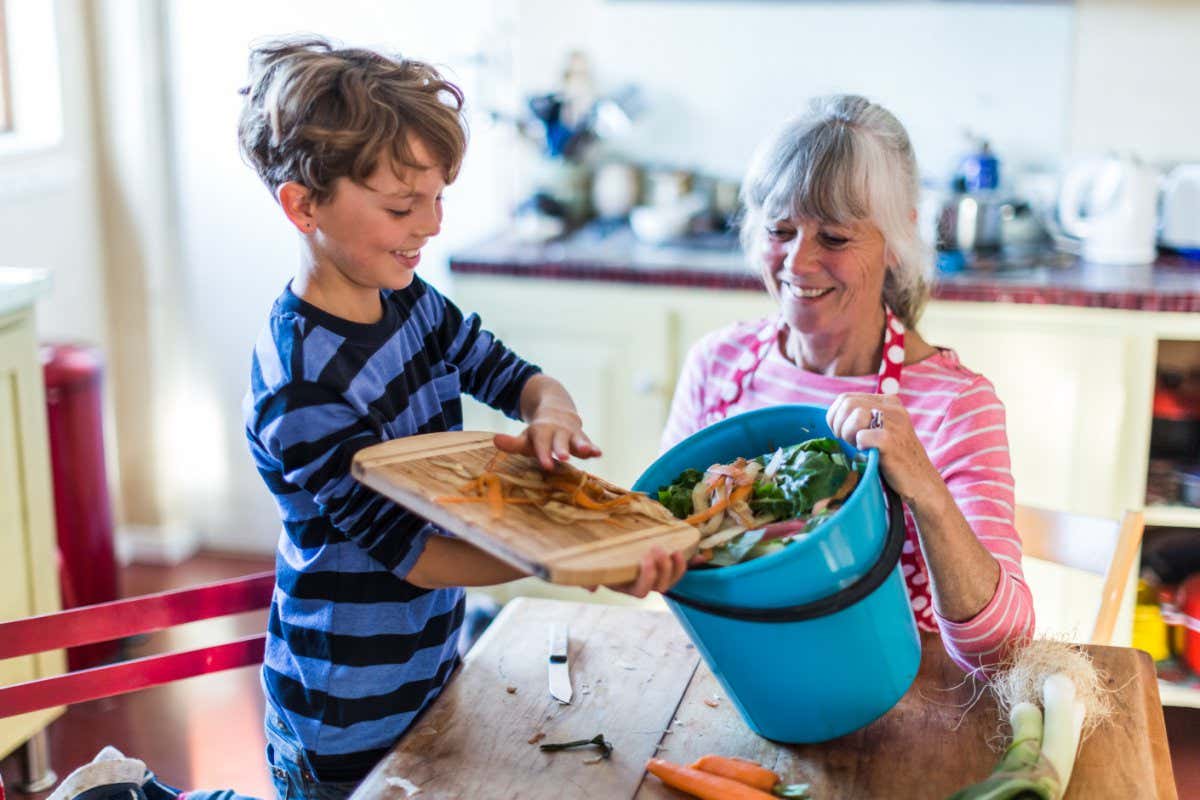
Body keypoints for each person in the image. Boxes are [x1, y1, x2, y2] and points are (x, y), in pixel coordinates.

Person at [237, 37, 686, 800]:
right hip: (343, 713)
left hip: (431, 666)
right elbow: (418, 555)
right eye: (402, 205)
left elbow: (517, 378)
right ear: (302, 204)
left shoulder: (409, 300)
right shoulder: (301, 387)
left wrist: (553, 415)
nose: (432, 225)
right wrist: (577, 555)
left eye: (439, 197)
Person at [661, 95, 1034, 676]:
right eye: (780, 230)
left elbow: (1002, 652)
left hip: (898, 703)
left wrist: (926, 491)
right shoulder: (717, 365)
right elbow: (663, 547)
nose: (799, 263)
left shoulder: (956, 406)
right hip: (736, 680)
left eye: (834, 238)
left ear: (896, 241)